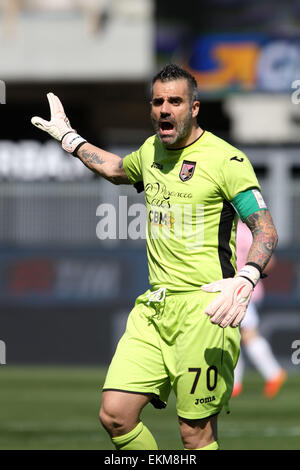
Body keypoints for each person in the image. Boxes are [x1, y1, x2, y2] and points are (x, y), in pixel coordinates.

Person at [31, 64, 278, 450]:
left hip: (206, 310)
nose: (164, 109)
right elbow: (115, 169)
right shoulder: (150, 151)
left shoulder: (227, 161)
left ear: (194, 108)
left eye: (175, 101)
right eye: (158, 101)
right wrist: (70, 138)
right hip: (155, 308)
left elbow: (265, 229)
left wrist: (245, 279)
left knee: (195, 435)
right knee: (115, 414)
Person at [232, 220, 286, 399]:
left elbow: (269, 261)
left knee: (246, 334)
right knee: (234, 335)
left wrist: (248, 273)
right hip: (237, 290)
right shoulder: (242, 229)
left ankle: (273, 373)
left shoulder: (241, 231)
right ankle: (234, 383)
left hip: (241, 290)